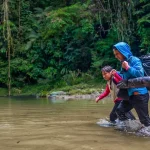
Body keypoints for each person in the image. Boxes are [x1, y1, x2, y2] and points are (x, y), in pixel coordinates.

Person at [113, 42, 150, 127]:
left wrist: (128, 67)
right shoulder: (123, 62)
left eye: (117, 53)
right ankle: (129, 127)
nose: (116, 56)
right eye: (115, 54)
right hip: (129, 95)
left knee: (145, 120)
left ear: (123, 51)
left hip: (139, 95)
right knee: (119, 111)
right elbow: (125, 77)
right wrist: (117, 73)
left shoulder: (135, 60)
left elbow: (139, 74)